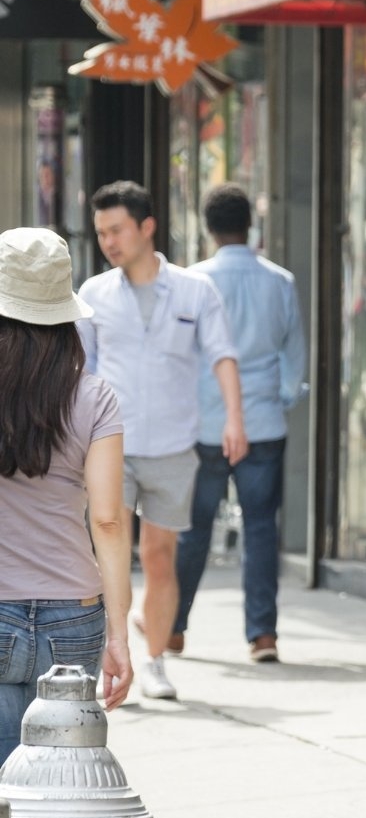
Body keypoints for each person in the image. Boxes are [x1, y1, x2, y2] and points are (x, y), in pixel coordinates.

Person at [79, 181, 246, 702]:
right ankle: (110, 652)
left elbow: (222, 354)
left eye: (117, 229)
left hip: (174, 443)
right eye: (101, 231)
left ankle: (153, 661)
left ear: (146, 227)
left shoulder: (195, 291)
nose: (108, 240)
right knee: (107, 550)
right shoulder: (93, 294)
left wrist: (234, 419)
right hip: (111, 443)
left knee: (158, 554)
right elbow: (79, 369)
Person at [0, 227, 131, 759]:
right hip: (74, 614)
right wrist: (120, 634)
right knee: (59, 781)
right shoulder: (95, 397)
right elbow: (107, 521)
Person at [173, 184, 307, 665]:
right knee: (260, 529)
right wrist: (281, 397)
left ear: (208, 229)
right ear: (249, 225)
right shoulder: (281, 281)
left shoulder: (191, 282)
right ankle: (262, 636)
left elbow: (181, 357)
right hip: (265, 423)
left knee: (194, 529)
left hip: (207, 424)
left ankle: (173, 627)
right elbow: (294, 357)